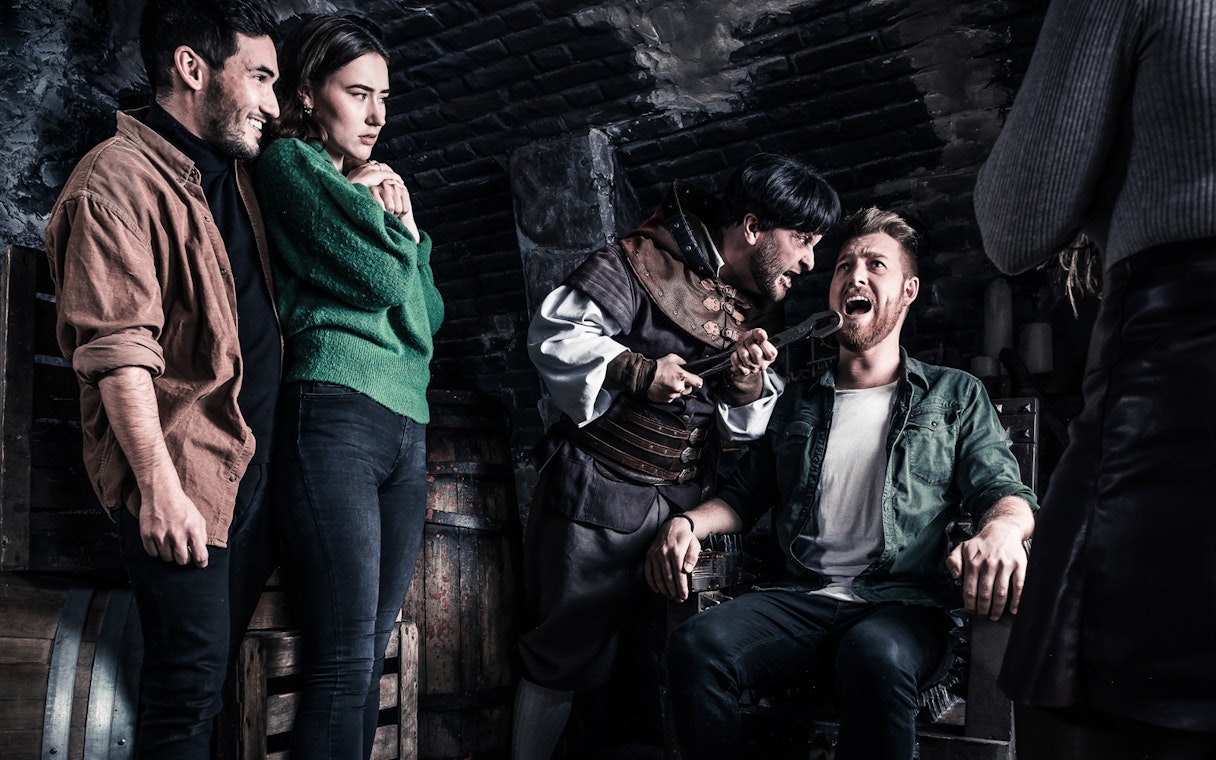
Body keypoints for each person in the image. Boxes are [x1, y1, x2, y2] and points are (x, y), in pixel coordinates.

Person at [647, 207, 1037, 760]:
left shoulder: (954, 394)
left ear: (907, 291)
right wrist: (687, 522)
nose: (854, 276)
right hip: (800, 598)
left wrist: (1001, 535)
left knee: (873, 653)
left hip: (902, 607)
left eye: (875, 265)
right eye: (843, 267)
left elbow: (1005, 493)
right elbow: (742, 496)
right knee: (695, 645)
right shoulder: (798, 401)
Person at [514, 152, 841, 759]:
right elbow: (553, 336)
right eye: (801, 239)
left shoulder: (755, 303)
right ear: (751, 227)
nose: (809, 261)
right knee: (562, 656)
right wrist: (636, 369)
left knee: (659, 668)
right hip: (596, 499)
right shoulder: (638, 261)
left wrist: (743, 384)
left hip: (682, 513)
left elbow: (744, 429)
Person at [974, 0, 1216, 756]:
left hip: (1178, 392)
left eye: (871, 261)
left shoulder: (948, 396)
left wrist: (1008, 521)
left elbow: (1016, 225)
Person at [43, 0, 281, 756]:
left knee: (214, 690)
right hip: (185, 478)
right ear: (191, 68)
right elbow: (117, 348)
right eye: (261, 78)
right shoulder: (112, 183)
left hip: (248, 473)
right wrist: (157, 486)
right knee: (187, 687)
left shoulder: (226, 172)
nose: (273, 105)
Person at [252, 14, 444, 760]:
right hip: (333, 411)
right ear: (307, 92)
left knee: (368, 660)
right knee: (339, 664)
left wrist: (410, 222)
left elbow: (425, 317)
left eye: (384, 98)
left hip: (405, 424)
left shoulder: (370, 189)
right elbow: (379, 278)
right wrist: (378, 212)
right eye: (357, 93)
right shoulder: (290, 164)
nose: (376, 116)